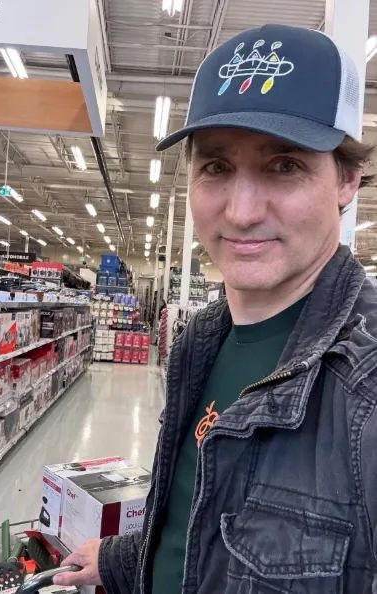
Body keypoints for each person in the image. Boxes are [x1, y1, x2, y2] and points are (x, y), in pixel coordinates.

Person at [54, 24, 377, 593]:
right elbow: (197, 518)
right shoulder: (200, 339)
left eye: (285, 165)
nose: (242, 212)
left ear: (347, 179)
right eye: (217, 168)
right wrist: (123, 559)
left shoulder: (366, 389)